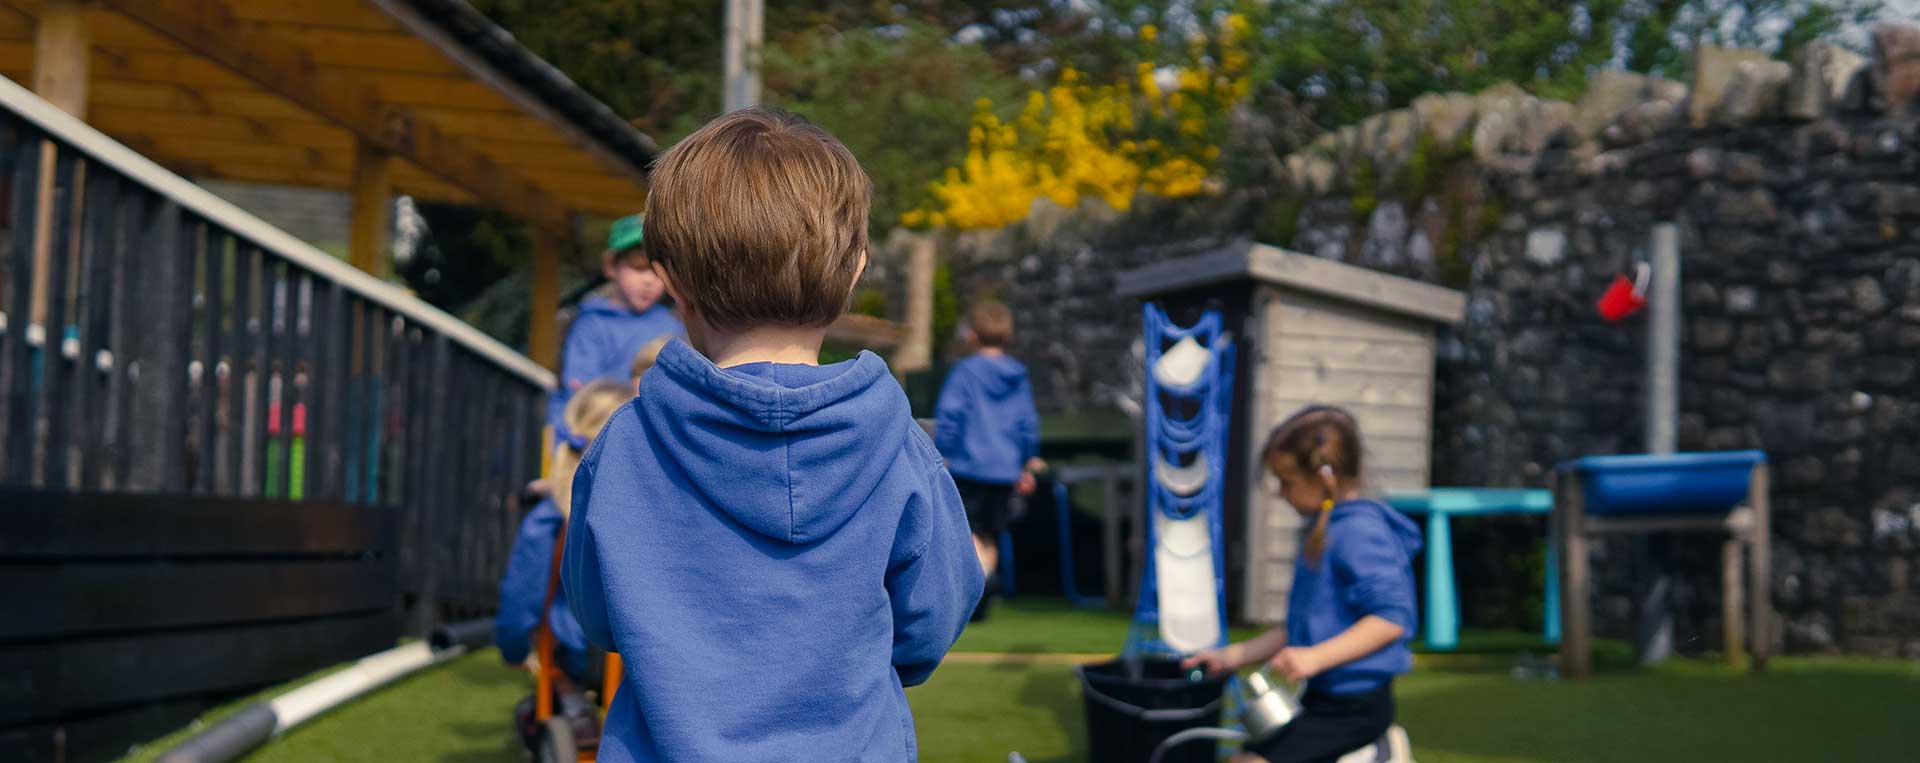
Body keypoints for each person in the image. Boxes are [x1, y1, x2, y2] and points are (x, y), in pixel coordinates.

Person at [563, 107, 983, 763]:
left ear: (671, 281)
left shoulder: (624, 445)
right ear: (855, 270)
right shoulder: (902, 448)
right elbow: (930, 622)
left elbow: (597, 614)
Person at [1182, 405, 1422, 763]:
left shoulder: (1358, 532)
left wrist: (1315, 658)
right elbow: (1302, 628)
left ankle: (1378, 752)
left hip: (1355, 709)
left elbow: (1391, 619)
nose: (1281, 493)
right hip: (1320, 697)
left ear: (1324, 479)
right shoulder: (1321, 531)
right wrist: (1231, 657)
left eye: (1287, 481)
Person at [495, 381, 631, 743]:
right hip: (643, 652)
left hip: (583, 653)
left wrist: (512, 649)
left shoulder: (552, 516)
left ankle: (572, 707)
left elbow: (521, 593)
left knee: (551, 633)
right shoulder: (645, 508)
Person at [933, 301, 1044, 621]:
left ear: (972, 335)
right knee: (990, 533)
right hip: (1005, 468)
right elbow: (1026, 421)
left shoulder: (964, 373)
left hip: (968, 465)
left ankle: (982, 585)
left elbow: (950, 416)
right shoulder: (1018, 376)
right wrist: (1027, 459)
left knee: (966, 529)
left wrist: (943, 452)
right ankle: (984, 593)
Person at [546, 213, 680, 431]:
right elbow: (582, 397)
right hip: (594, 432)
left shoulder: (673, 326)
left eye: (658, 271)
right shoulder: (591, 325)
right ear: (610, 265)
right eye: (638, 267)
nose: (649, 280)